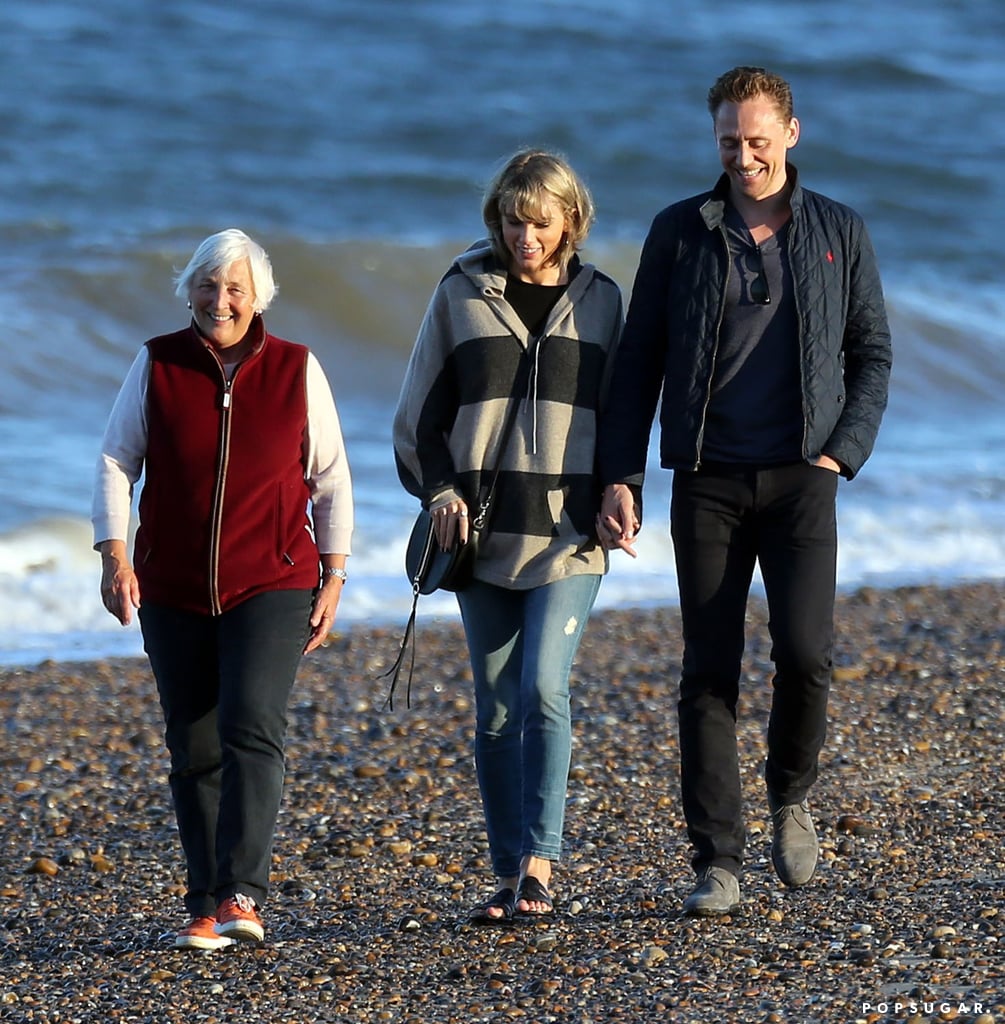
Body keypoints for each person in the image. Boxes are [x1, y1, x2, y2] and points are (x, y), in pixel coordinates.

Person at [597, 67, 892, 916]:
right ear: (714, 139)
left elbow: (870, 353)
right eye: (729, 142)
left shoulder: (838, 230)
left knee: (806, 656)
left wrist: (843, 451)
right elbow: (637, 364)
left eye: (758, 141)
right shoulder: (680, 232)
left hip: (804, 478)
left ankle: (790, 794)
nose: (744, 156)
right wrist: (622, 474)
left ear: (790, 135)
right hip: (708, 478)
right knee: (708, 671)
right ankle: (715, 860)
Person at [92, 228, 354, 949]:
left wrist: (334, 572)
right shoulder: (158, 363)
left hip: (274, 579)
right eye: (208, 285)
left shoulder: (297, 369)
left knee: (250, 725)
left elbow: (330, 477)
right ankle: (203, 904)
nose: (220, 299)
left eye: (235, 286)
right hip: (171, 584)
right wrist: (116, 556)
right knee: (193, 743)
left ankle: (244, 893)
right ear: (190, 291)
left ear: (258, 296)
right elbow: (118, 460)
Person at [393, 150, 623, 922]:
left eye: (540, 223)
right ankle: (505, 875)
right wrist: (439, 493)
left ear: (570, 223)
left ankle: (539, 867)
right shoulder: (459, 293)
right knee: (493, 708)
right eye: (512, 221)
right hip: (481, 539)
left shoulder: (601, 302)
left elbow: (621, 422)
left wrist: (623, 489)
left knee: (541, 690)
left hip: (568, 536)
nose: (524, 237)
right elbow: (417, 418)